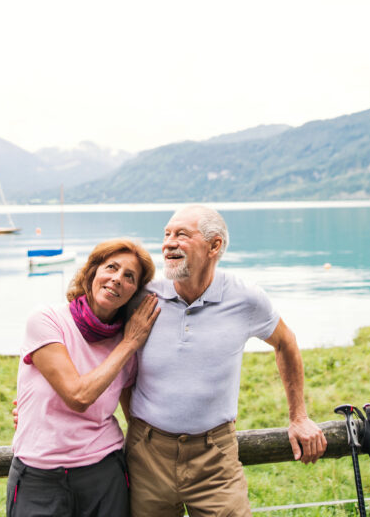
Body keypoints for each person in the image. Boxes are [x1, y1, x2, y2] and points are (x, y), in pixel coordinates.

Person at [124, 205, 326, 517]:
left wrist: (298, 416)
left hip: (215, 459)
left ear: (214, 245)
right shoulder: (142, 294)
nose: (168, 243)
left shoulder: (245, 298)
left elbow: (286, 342)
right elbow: (94, 341)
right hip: (147, 455)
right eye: (166, 234)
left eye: (181, 234)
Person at [8, 239, 161, 517]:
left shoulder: (127, 345)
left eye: (129, 277)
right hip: (39, 475)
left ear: (134, 292)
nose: (117, 279)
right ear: (92, 271)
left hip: (104, 474)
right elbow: (78, 396)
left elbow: (134, 415)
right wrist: (129, 344)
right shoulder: (46, 320)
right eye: (111, 267)